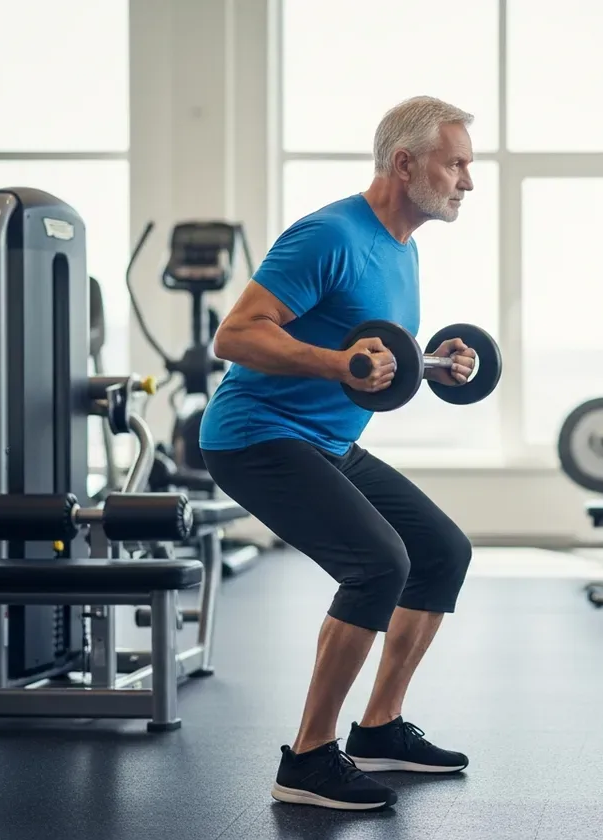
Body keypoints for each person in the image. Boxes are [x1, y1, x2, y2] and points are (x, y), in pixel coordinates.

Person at [198, 95, 479, 812]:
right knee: (378, 564)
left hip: (327, 442)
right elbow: (234, 335)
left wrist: (438, 362)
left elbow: (373, 352)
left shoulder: (403, 247)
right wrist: (334, 363)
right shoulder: (328, 235)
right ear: (405, 162)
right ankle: (308, 759)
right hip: (256, 436)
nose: (466, 182)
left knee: (442, 551)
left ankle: (379, 729)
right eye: (456, 164)